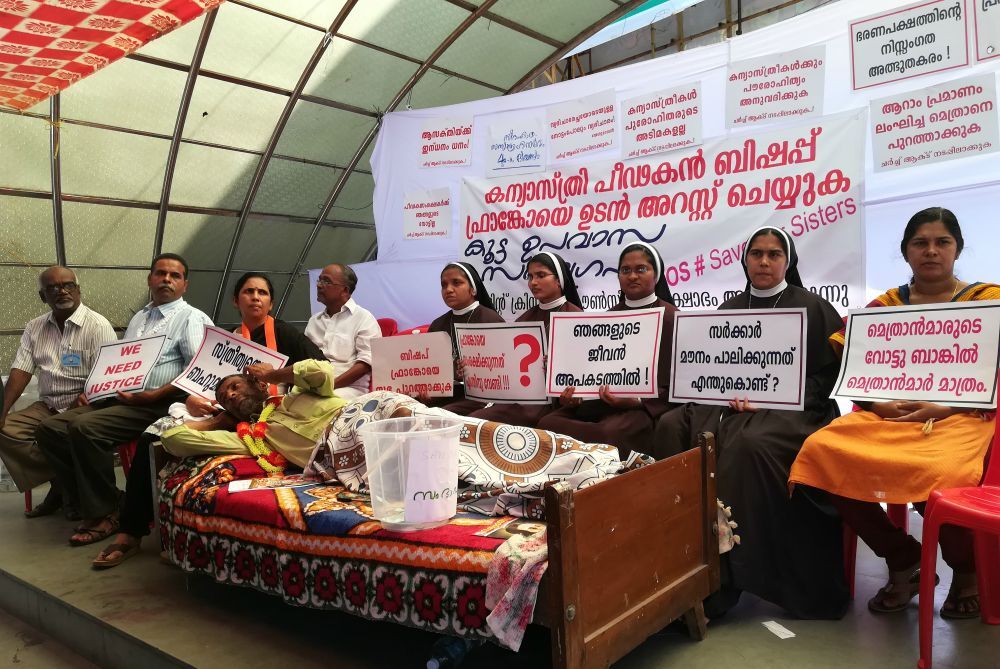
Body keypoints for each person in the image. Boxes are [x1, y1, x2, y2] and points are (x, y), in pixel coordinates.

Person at [790, 207, 999, 620]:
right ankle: (902, 555)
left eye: (942, 243)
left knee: (945, 471)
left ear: (958, 250)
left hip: (960, 417)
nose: (931, 251)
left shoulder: (987, 301)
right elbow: (855, 369)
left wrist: (947, 404)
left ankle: (966, 570)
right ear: (905, 252)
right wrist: (878, 404)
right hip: (888, 416)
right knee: (820, 450)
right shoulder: (885, 305)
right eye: (920, 243)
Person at [655, 226, 849, 619]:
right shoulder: (729, 308)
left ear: (788, 261)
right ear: (744, 260)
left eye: (773, 254)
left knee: (747, 446)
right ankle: (675, 560)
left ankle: (730, 575)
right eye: (756, 254)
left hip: (795, 411)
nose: (764, 261)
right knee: (672, 425)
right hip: (730, 404)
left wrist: (775, 393)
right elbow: (709, 367)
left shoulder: (813, 308)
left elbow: (828, 379)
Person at [92, 272, 326, 568]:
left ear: (271, 302)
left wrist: (277, 376)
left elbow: (320, 367)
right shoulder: (224, 339)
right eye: (248, 292)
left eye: (262, 293)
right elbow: (197, 380)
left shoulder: (285, 333)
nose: (255, 297)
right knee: (152, 438)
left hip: (267, 416)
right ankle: (131, 530)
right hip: (213, 409)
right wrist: (190, 397)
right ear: (235, 301)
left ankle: (173, 532)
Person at [35, 253, 212, 546]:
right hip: (122, 398)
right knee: (49, 429)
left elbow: (197, 370)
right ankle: (109, 500)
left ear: (185, 285)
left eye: (175, 275)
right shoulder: (140, 317)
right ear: (150, 279)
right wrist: (94, 388)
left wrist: (156, 393)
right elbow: (121, 363)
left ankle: (103, 513)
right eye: (160, 273)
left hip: (158, 404)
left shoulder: (190, 318)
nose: (166, 279)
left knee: (85, 429)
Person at [537, 243, 676, 458]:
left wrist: (637, 401)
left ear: (656, 275)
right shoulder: (606, 317)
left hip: (644, 408)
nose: (632, 276)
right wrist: (574, 394)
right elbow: (589, 369)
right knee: (548, 423)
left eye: (641, 269)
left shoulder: (671, 317)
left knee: (608, 433)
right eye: (625, 270)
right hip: (599, 403)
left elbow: (678, 385)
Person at [0, 266, 116, 518]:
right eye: (52, 288)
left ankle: (64, 489)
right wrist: (3, 411)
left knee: (51, 431)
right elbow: (21, 370)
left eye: (68, 285)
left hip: (87, 405)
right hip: (48, 405)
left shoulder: (98, 326)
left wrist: (82, 401)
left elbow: (109, 378)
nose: (62, 291)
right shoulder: (35, 327)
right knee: (5, 429)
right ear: (43, 297)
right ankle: (63, 482)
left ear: (78, 290)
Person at [468, 252, 583, 427]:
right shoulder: (524, 319)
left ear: (559, 280)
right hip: (520, 397)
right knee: (474, 420)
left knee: (481, 423)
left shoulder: (576, 317)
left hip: (553, 402)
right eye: (530, 277)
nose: (533, 282)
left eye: (541, 275)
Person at [428, 262, 505, 415]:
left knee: (438, 415)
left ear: (473, 289)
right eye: (444, 285)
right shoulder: (438, 324)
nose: (448, 290)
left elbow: (503, 369)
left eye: (456, 283)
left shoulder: (490, 319)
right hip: (445, 394)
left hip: (479, 397)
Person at [304, 263, 381, 399]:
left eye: (326, 281)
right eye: (319, 280)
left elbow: (366, 364)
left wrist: (330, 385)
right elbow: (303, 358)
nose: (319, 285)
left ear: (345, 290)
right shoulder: (314, 321)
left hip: (348, 390)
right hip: (312, 387)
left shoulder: (364, 318)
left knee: (312, 404)